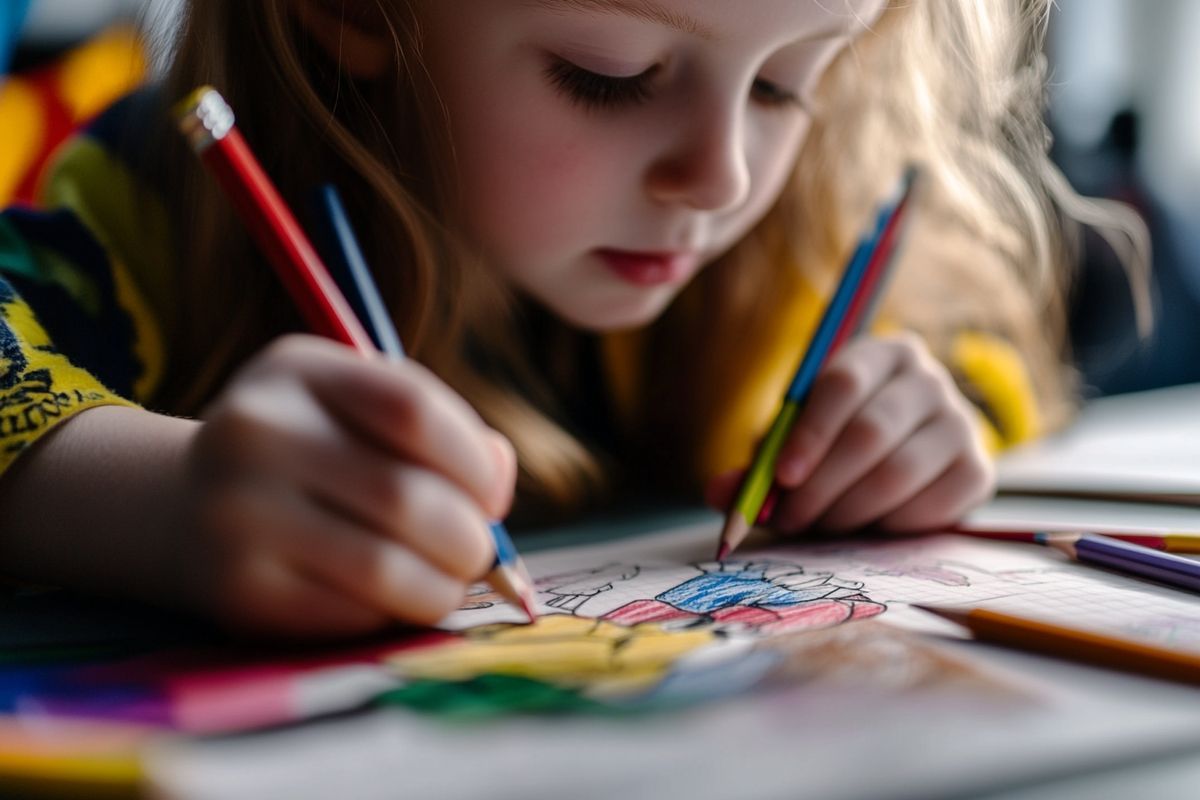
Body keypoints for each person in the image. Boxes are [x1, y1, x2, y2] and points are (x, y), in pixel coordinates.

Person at [0, 0, 1143, 637]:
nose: (723, 176)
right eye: (610, 75)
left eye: (788, 82)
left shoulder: (795, 226)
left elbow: (975, 339)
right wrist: (165, 500)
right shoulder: (161, 202)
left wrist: (925, 422)